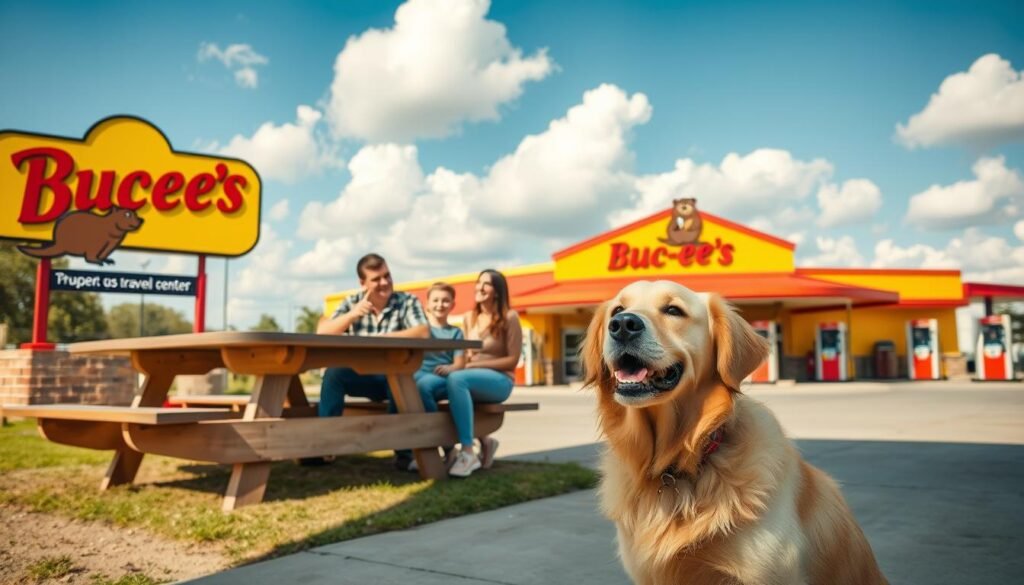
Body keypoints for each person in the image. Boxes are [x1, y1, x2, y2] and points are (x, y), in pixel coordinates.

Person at [311, 253, 429, 469]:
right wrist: (352, 315)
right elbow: (323, 331)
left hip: (394, 376)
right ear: (362, 283)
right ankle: (325, 445)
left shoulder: (406, 301)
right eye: (376, 279)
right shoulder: (352, 302)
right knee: (333, 374)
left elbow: (422, 332)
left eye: (387, 275)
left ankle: (404, 453)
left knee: (399, 377)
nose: (384, 282)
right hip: (361, 376)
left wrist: (380, 340)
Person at [445, 269, 522, 477]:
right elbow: (467, 354)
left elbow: (513, 360)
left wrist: (471, 367)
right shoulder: (470, 317)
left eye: (485, 284)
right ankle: (484, 442)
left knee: (457, 380)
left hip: (500, 380)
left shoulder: (510, 317)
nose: (479, 287)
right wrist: (461, 364)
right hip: (471, 377)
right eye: (478, 283)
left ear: (496, 291)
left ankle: (468, 453)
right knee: (442, 383)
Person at [412, 282, 466, 469]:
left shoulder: (456, 332)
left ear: (452, 305)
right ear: (427, 304)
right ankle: (406, 453)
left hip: (440, 378)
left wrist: (451, 368)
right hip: (416, 375)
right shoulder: (419, 330)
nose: (440, 304)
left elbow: (460, 362)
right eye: (435, 300)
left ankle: (446, 447)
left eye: (445, 301)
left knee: (422, 386)